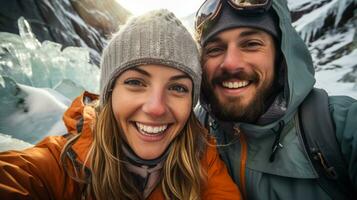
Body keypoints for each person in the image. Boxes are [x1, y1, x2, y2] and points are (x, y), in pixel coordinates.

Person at [0, 10, 242, 200]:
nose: (156, 108)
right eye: (136, 82)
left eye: (177, 88)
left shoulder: (201, 159)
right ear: (109, 93)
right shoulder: (65, 162)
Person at [194, 0, 357, 199]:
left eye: (251, 44)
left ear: (281, 55)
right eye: (215, 49)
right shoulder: (194, 131)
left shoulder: (340, 126)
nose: (231, 63)